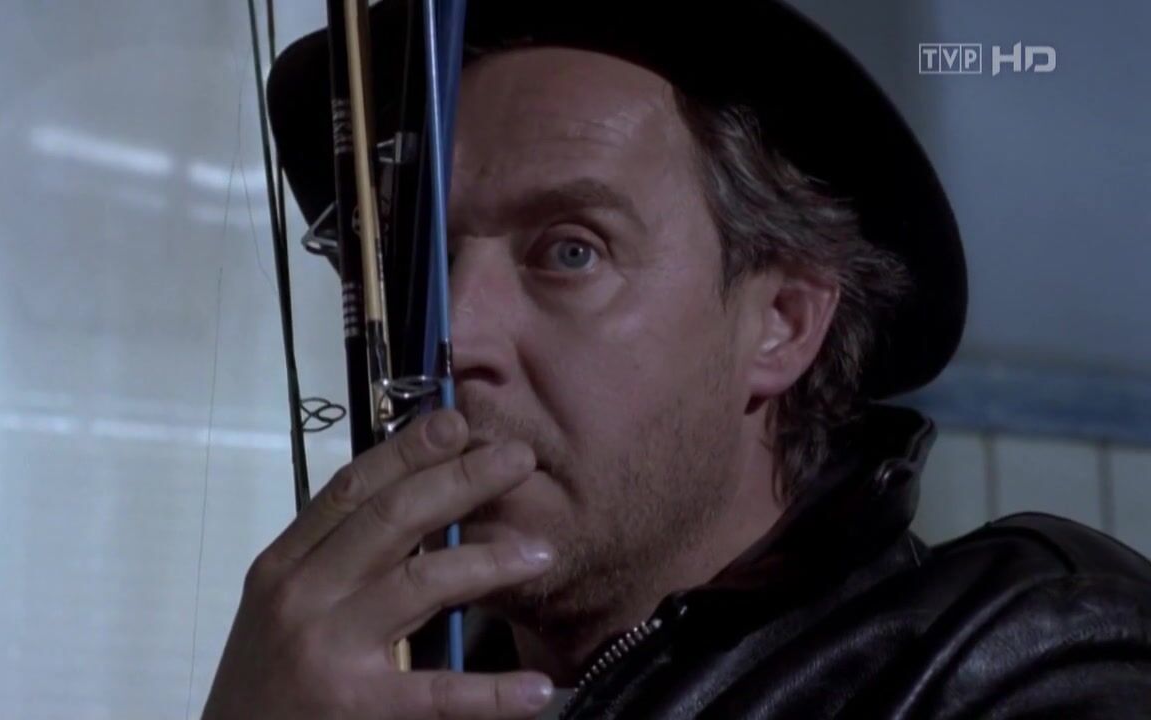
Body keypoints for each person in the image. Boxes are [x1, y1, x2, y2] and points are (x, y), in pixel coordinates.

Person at [204, 1, 1151, 717]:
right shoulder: (395, 685)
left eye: (571, 251)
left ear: (782, 323)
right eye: (427, 261)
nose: (461, 337)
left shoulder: (1024, 653)